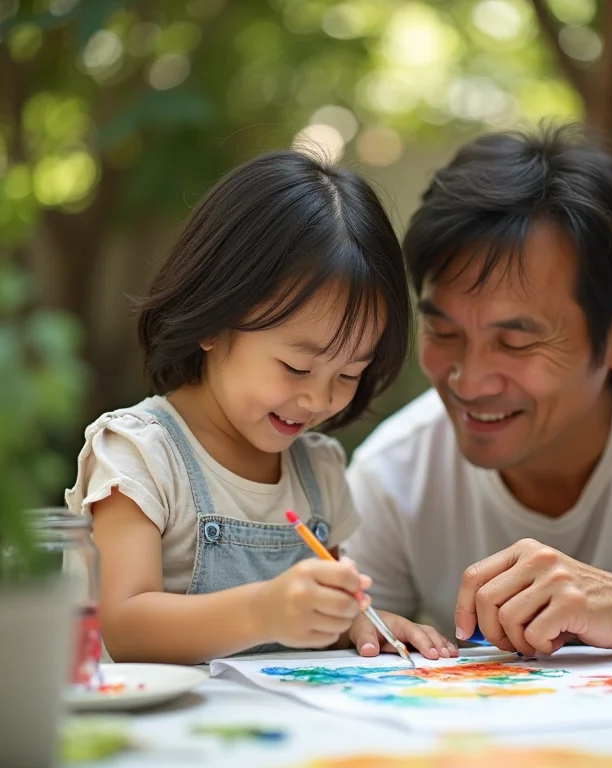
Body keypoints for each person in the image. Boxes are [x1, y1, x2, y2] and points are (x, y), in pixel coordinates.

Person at [344, 124, 612, 657]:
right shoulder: (396, 472)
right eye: (444, 333)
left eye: (516, 342)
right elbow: (349, 641)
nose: (468, 381)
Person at [66, 150, 456, 665]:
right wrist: (262, 613)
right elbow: (123, 625)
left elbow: (327, 607)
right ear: (212, 319)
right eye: (296, 368)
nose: (318, 399)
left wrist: (356, 621)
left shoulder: (317, 472)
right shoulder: (138, 455)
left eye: (348, 375)